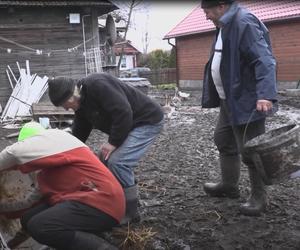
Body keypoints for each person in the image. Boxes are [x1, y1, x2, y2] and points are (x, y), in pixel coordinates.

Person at [47, 73, 164, 223]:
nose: (66, 109)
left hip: (147, 120)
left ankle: (130, 211)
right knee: (104, 158)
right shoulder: (81, 103)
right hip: (129, 124)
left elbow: (123, 112)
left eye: (64, 105)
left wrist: (113, 142)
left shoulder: (97, 85)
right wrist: (70, 149)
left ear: (70, 97)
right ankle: (119, 198)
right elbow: (81, 128)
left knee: (118, 162)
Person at [200, 0, 278, 216]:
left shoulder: (243, 22)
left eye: (207, 11)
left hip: (247, 100)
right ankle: (229, 186)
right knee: (223, 139)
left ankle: (259, 198)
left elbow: (264, 60)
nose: (206, 16)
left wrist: (265, 94)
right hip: (230, 99)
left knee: (251, 149)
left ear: (221, 6)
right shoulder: (225, 24)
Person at [0, 121, 125, 250]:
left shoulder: (60, 141)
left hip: (103, 200)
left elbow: (14, 153)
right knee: (28, 218)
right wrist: (2, 208)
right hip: (83, 201)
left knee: (41, 226)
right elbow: (29, 203)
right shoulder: (46, 173)